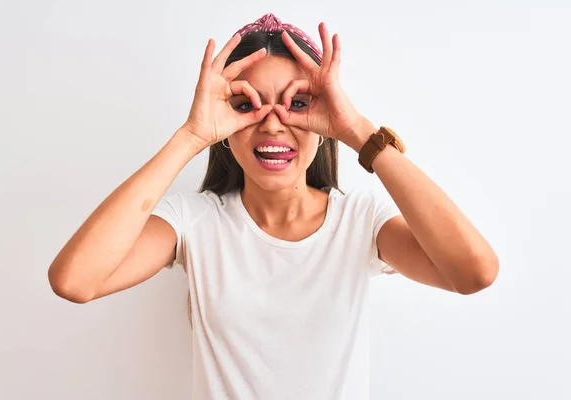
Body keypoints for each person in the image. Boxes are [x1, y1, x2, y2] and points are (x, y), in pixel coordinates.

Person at [48, 13, 499, 400]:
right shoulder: (194, 221)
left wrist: (358, 130)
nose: (272, 125)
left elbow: (474, 273)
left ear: (323, 117)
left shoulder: (359, 221)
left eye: (297, 103)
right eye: (246, 104)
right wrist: (191, 135)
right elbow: (74, 280)